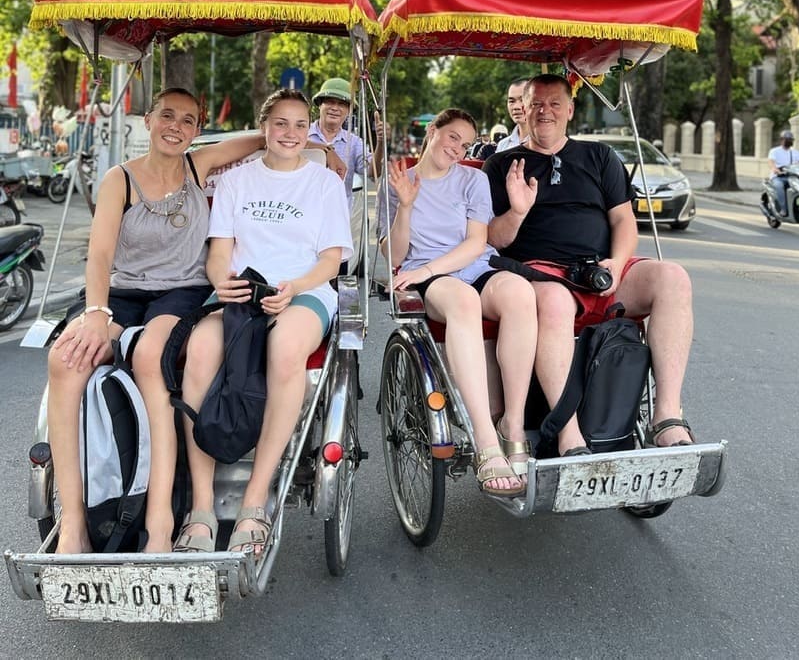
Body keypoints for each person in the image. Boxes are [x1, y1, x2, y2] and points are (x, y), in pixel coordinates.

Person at [48, 88, 267, 554]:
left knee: (150, 356)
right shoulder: (119, 178)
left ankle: (160, 521)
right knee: (64, 360)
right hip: (122, 293)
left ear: (198, 129)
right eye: (167, 115)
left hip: (181, 291)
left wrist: (321, 145)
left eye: (188, 120)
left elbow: (259, 137)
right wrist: (94, 313)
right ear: (147, 120)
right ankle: (72, 523)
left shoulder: (198, 164)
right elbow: (101, 254)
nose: (176, 126)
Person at [174, 88, 352, 554]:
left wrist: (294, 286)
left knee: (286, 348)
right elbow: (219, 253)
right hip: (240, 289)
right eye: (280, 123)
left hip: (304, 289)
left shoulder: (325, 184)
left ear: (308, 130)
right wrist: (223, 281)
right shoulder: (237, 181)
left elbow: (331, 261)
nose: (290, 133)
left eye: (299, 125)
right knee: (200, 350)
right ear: (264, 127)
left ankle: (256, 499)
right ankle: (202, 505)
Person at [484, 73, 695, 456]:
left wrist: (615, 262)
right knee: (556, 302)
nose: (544, 111)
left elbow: (623, 221)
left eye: (553, 103)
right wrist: (517, 211)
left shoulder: (599, 156)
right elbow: (492, 239)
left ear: (570, 109)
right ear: (522, 111)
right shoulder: (501, 166)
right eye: (536, 104)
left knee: (672, 277)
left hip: (601, 271)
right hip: (540, 273)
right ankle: (567, 431)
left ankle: (666, 415)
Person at [379, 108, 538, 497]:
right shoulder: (399, 180)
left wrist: (432, 267)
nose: (457, 148)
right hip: (428, 276)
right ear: (433, 131)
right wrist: (406, 206)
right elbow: (393, 253)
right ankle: (486, 442)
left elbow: (474, 242)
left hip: (470, 263)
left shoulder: (472, 179)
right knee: (464, 301)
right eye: (452, 137)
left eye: (465, 143)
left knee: (520, 292)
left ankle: (512, 425)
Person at [307, 77, 383, 204]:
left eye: (342, 104)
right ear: (320, 105)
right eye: (330, 102)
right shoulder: (302, 134)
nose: (335, 108)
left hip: (339, 216)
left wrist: (381, 142)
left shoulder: (354, 143)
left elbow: (373, 173)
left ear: (349, 111)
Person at [767, 129, 799, 216]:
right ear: (782, 140)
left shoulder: (796, 153)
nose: (789, 141)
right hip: (779, 176)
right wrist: (775, 169)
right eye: (787, 139)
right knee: (779, 186)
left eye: (790, 139)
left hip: (792, 177)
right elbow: (771, 162)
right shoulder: (774, 151)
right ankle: (783, 209)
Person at [495, 77, 531, 153]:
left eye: (522, 100)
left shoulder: (549, 143)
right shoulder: (503, 145)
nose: (516, 107)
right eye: (512, 101)